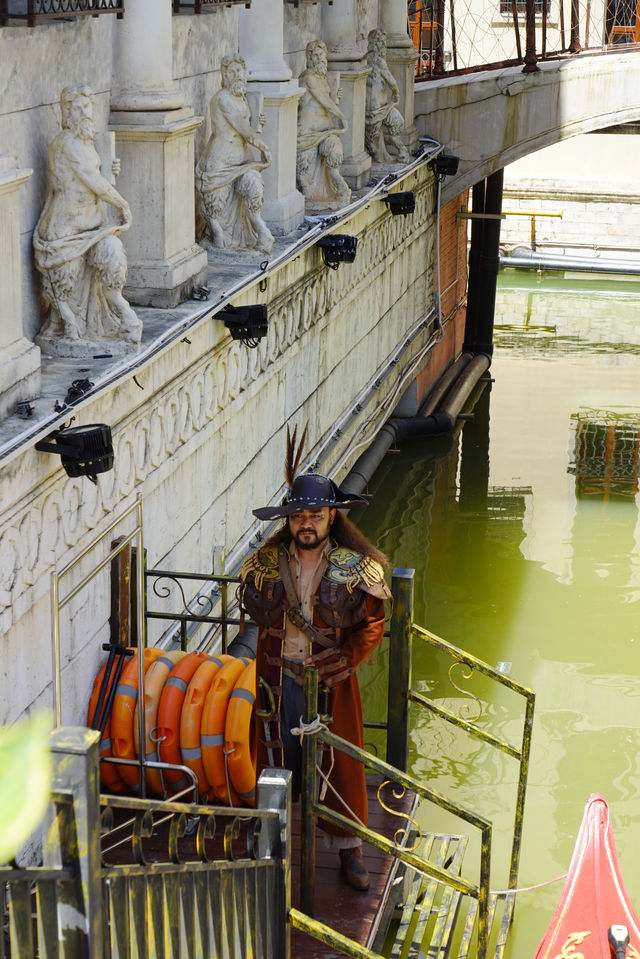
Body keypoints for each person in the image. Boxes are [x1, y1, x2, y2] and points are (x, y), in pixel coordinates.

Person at [240, 448, 391, 892]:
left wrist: (343, 661)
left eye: (316, 514)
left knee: (339, 766)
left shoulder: (356, 567)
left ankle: (351, 850)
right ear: (288, 520)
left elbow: (372, 626)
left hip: (331, 683)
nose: (307, 523)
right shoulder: (267, 565)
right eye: (299, 516)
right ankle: (270, 845)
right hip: (276, 680)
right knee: (274, 758)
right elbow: (254, 617)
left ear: (331, 518)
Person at [33, 84, 141, 350]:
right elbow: (93, 182)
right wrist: (122, 203)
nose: (85, 113)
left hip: (94, 228)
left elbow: (97, 178)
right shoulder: (65, 143)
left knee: (114, 258)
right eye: (78, 108)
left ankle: (123, 314)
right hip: (65, 233)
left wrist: (109, 168)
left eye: (87, 107)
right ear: (66, 113)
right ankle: (69, 324)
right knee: (64, 284)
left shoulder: (87, 143)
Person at [196, 55, 274, 254]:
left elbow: (246, 131)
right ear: (225, 75)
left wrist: (258, 126)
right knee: (216, 203)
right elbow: (241, 129)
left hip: (242, 160)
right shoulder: (222, 98)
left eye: (240, 71)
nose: (238, 75)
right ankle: (216, 232)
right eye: (232, 71)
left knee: (254, 186)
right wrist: (263, 146)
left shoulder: (242, 99)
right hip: (220, 162)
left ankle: (260, 231)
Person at [296, 40, 351, 212]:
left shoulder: (323, 79)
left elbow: (326, 103)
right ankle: (306, 191)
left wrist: (336, 98)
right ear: (309, 58)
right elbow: (323, 101)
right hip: (309, 132)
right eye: (316, 56)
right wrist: (342, 117)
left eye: (323, 55)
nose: (321, 59)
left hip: (325, 131)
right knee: (305, 171)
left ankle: (337, 185)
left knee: (334, 151)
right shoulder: (308, 77)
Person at [365, 29, 411, 165]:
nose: (384, 46)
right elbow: (391, 80)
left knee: (394, 124)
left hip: (380, 105)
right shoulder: (379, 61)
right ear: (376, 44)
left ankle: (394, 154)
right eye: (382, 43)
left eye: (384, 43)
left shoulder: (367, 58)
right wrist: (396, 93)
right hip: (375, 105)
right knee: (374, 136)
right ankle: (381, 157)